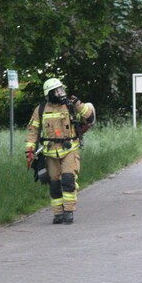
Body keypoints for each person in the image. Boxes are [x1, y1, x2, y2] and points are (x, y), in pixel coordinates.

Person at [25, 77, 95, 224]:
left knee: (68, 180)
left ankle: (69, 211)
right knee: (54, 183)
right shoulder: (41, 109)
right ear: (50, 93)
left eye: (61, 89)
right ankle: (58, 213)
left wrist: (78, 104)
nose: (61, 92)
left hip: (70, 149)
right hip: (50, 152)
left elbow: (89, 117)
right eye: (57, 91)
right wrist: (30, 151)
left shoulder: (70, 106)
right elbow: (33, 130)